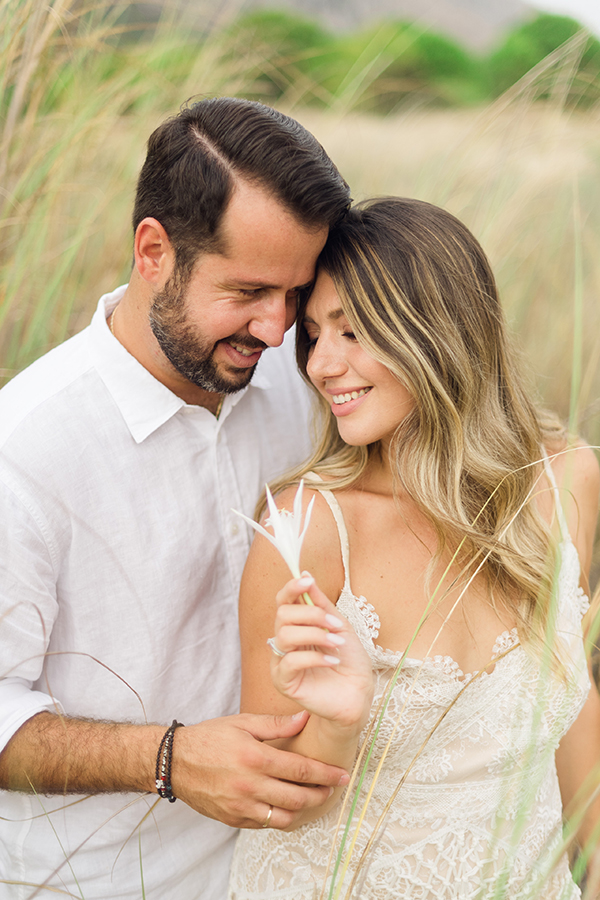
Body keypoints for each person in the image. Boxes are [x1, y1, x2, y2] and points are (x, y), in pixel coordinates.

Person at [0, 97, 353, 899]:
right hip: (90, 884)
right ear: (153, 250)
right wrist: (168, 758)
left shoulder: (304, 388)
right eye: (250, 290)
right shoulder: (23, 450)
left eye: (296, 294)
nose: (276, 329)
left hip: (282, 873)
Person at [228, 197, 600, 900]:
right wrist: (338, 723)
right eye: (313, 335)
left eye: (353, 331)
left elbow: (575, 709)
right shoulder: (308, 527)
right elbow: (268, 798)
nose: (321, 364)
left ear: (440, 329)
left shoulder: (568, 479)